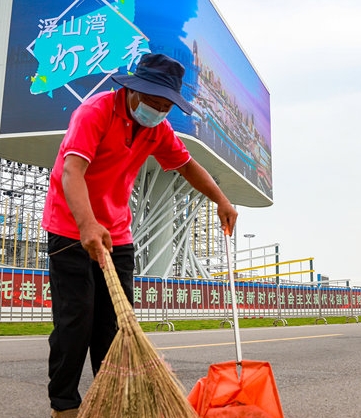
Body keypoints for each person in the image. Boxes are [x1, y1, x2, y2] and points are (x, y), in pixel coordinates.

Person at [42, 53, 238, 418]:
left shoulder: (156, 129)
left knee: (114, 324)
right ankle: (64, 405)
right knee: (76, 321)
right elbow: (72, 171)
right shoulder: (94, 112)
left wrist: (222, 200)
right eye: (153, 102)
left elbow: (188, 166)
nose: (159, 111)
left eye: (166, 106)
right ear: (134, 91)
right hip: (71, 228)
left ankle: (112, 396)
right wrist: (86, 224)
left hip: (116, 233)